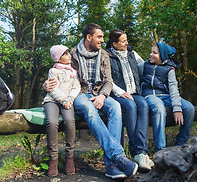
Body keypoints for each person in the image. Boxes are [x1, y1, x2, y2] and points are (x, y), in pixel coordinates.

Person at [43, 23, 138, 180]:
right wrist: (45, 85)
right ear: (89, 37)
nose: (102, 40)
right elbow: (57, 73)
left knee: (115, 107)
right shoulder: (72, 54)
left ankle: (111, 165)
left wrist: (103, 96)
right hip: (79, 94)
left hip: (99, 93)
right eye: (99, 37)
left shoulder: (104, 55)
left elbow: (108, 81)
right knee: (90, 111)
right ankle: (118, 157)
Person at [106, 29, 154, 171]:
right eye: (123, 41)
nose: (127, 43)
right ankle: (136, 151)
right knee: (131, 107)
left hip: (135, 92)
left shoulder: (132, 54)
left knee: (143, 104)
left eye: (126, 40)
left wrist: (164, 65)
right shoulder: (107, 57)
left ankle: (142, 152)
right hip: (119, 94)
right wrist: (120, 92)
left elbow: (145, 67)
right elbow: (107, 78)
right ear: (114, 44)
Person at [139, 42, 195, 152]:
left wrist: (177, 108)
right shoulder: (144, 65)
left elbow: (174, 89)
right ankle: (160, 149)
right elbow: (131, 62)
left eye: (154, 53)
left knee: (189, 108)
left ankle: (181, 144)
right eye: (151, 52)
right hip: (150, 96)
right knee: (159, 108)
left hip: (165, 96)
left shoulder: (169, 69)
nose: (151, 54)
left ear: (162, 56)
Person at [43, 45, 81, 176]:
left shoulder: (72, 71)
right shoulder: (53, 71)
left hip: (68, 102)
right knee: (52, 123)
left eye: (69, 53)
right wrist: (64, 100)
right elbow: (53, 89)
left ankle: (69, 157)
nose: (69, 56)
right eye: (65, 54)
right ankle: (53, 159)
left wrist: (70, 98)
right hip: (53, 101)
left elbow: (76, 87)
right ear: (58, 58)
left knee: (70, 121)